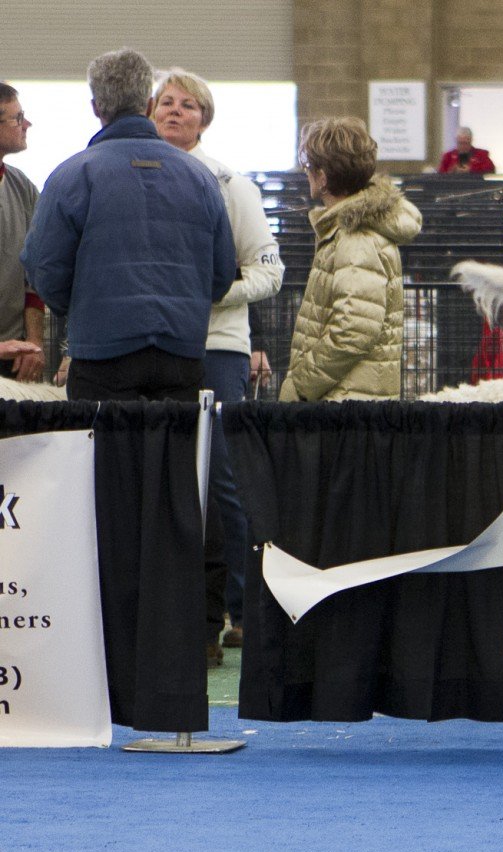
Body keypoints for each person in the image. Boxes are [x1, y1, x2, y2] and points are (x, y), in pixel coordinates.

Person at [152, 68, 285, 656]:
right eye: (164, 102)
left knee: (224, 483)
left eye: (187, 105)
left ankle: (242, 608)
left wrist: (212, 293)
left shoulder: (232, 184)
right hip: (152, 347)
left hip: (217, 349)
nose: (174, 111)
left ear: (204, 119)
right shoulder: (137, 177)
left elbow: (270, 270)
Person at [21, 48, 236, 401]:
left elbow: (44, 268)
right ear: (150, 105)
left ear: (96, 107)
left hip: (101, 355)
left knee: (106, 455)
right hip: (181, 355)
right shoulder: (201, 179)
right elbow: (222, 274)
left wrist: (81, 308)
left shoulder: (72, 176)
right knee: (175, 456)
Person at [280, 117, 421, 402]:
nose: (306, 173)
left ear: (323, 177)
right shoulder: (351, 231)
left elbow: (353, 330)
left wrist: (300, 386)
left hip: (345, 408)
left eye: (310, 167)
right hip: (354, 401)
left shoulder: (355, 239)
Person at [0, 83, 44, 385]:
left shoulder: (22, 187)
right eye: (18, 118)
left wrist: (34, 346)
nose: (26, 125)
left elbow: (35, 277)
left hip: (14, 359)